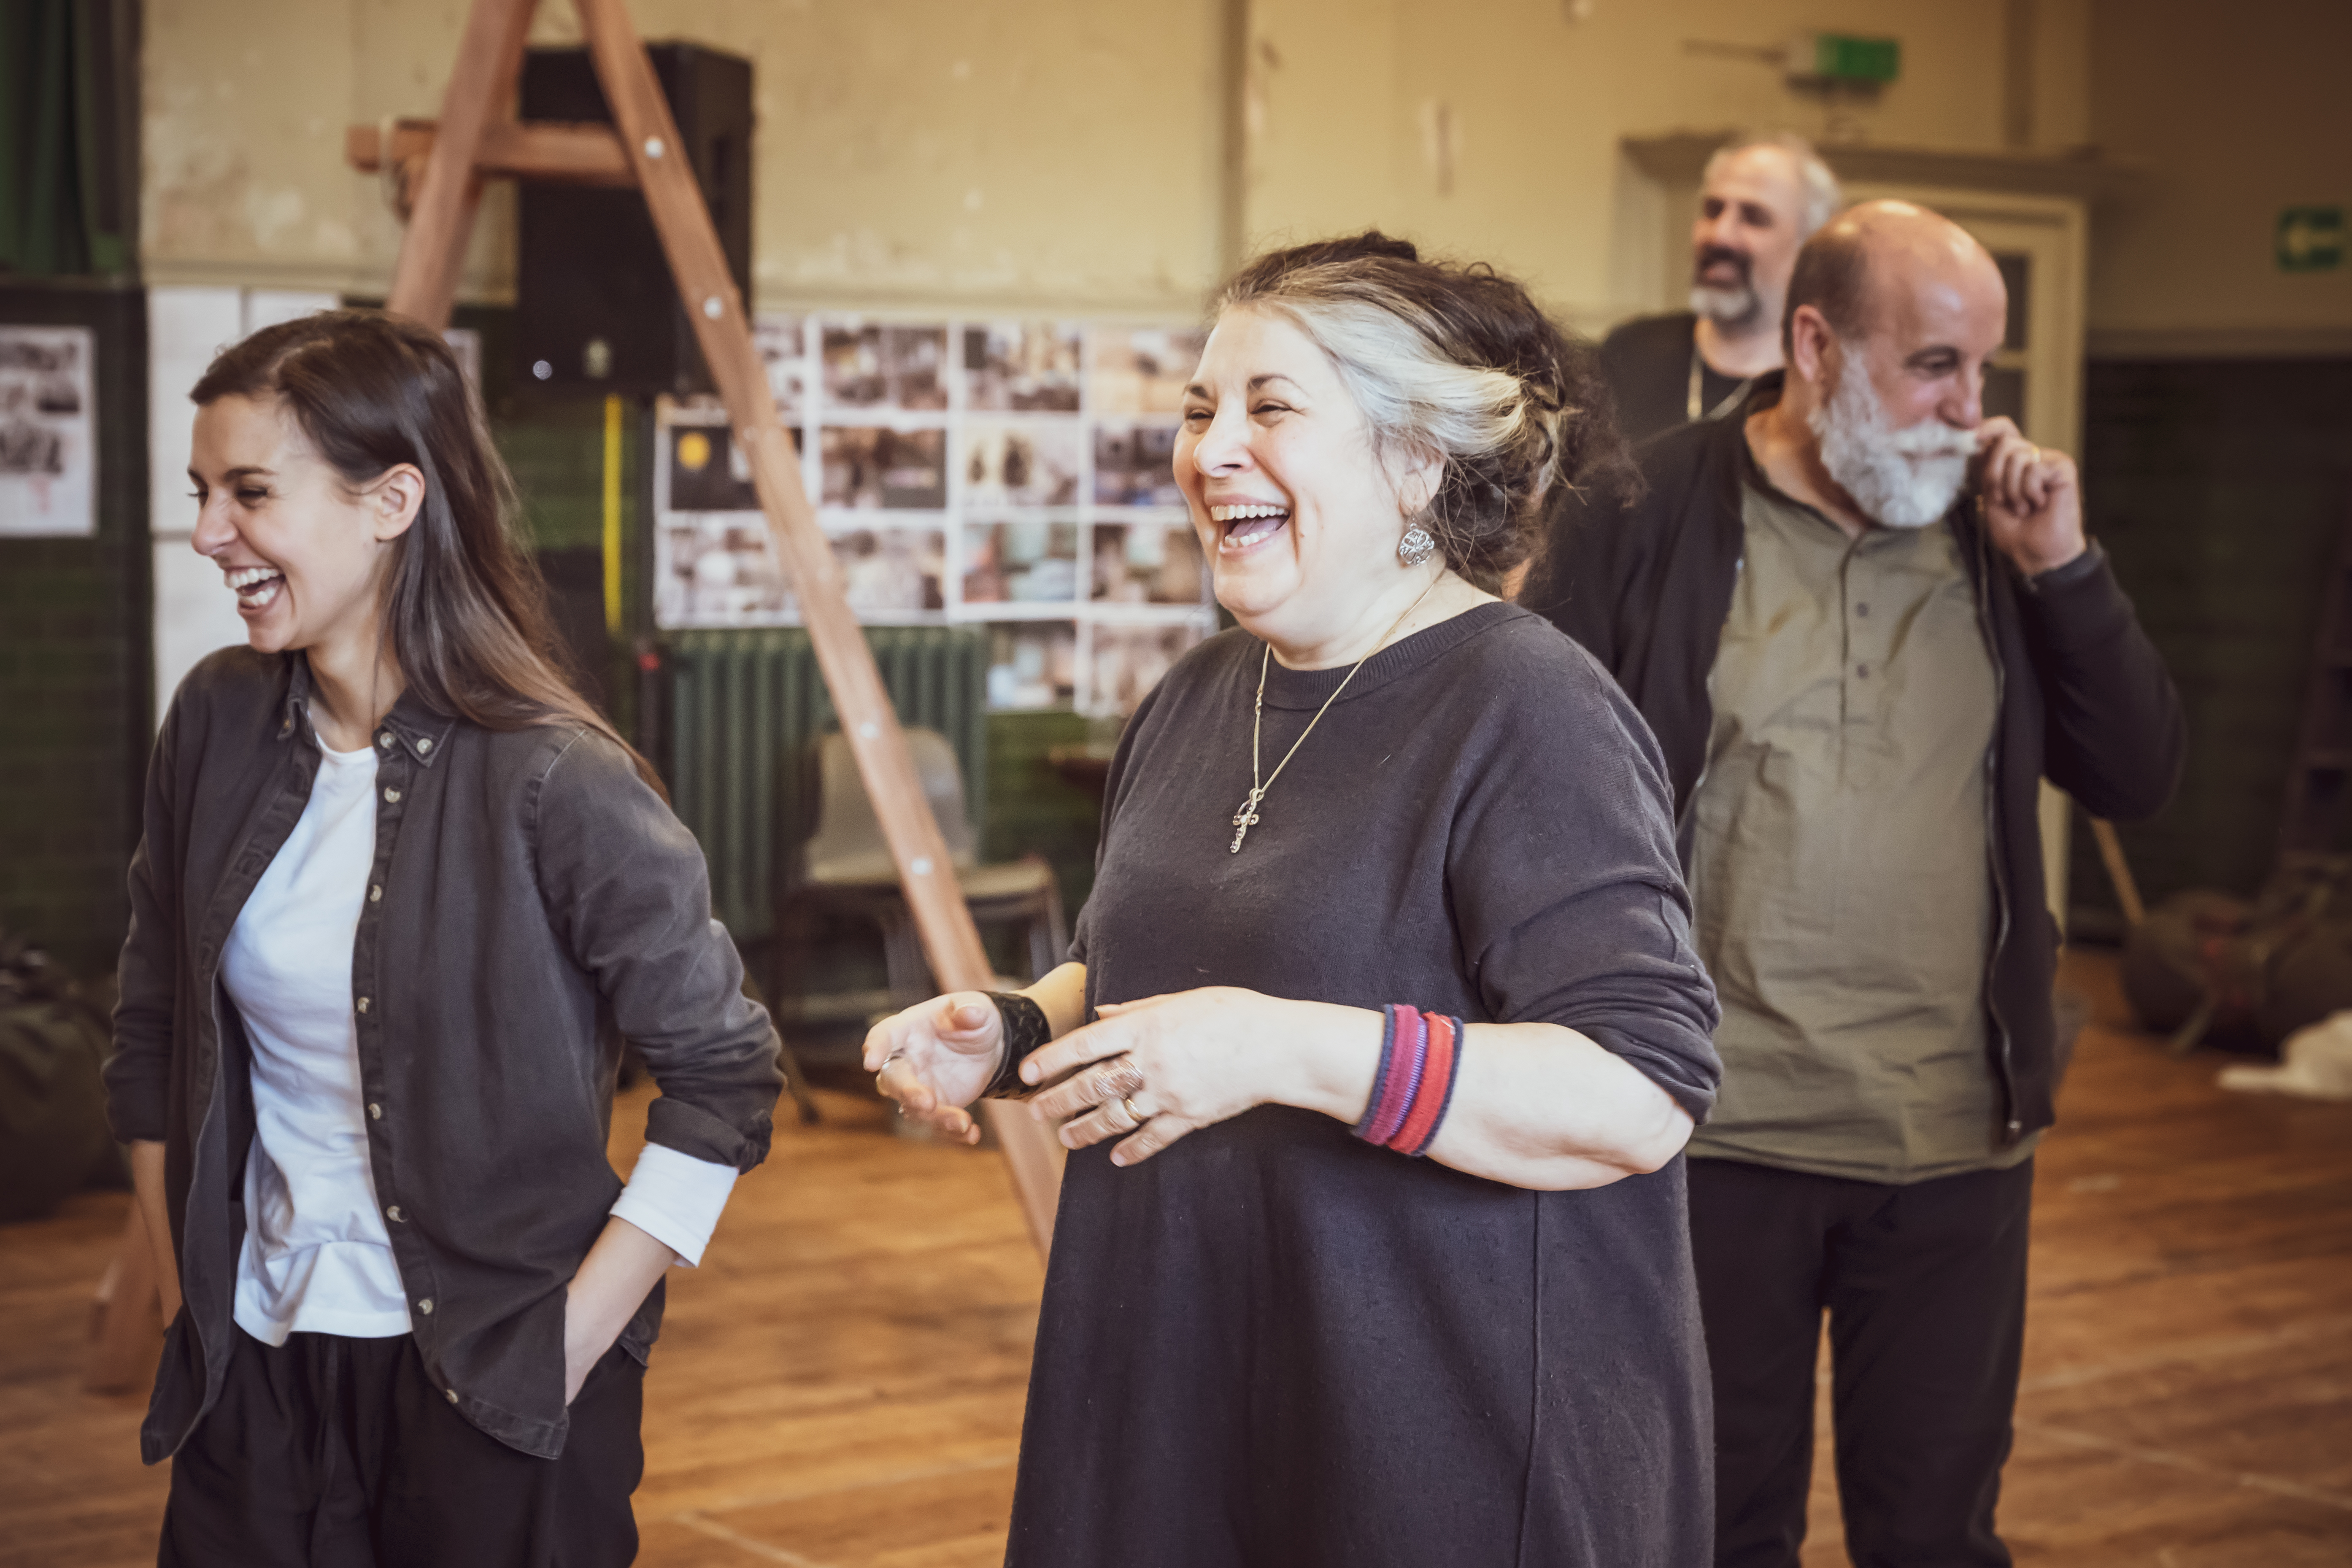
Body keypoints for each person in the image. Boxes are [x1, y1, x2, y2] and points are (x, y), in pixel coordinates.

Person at [864, 233, 1724, 1567]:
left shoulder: (1529, 708)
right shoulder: (1204, 692)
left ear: (1413, 463)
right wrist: (1017, 1030)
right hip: (1180, 1394)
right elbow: (1137, 958)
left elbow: (1636, 1090)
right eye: (1202, 410)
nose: (1209, 451)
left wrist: (1273, 1048)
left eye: (1269, 409)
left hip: (1431, 1439)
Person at [1521, 202, 2186, 1567]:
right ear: (1815, 345)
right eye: (1934, 365)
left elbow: (2136, 772)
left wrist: (2063, 568)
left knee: (1936, 1533)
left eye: (1984, 371)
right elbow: (1530, 784)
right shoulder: (1639, 512)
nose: (1970, 410)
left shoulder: (1997, 537)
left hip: (1950, 1141)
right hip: (1711, 1135)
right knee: (1709, 1524)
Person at [106, 310, 784, 1567]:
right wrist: (186, 1281)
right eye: (203, 493)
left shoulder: (556, 778)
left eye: (250, 492)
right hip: (255, 1358)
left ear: (392, 500)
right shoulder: (213, 723)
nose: (210, 533)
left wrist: (567, 1346)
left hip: (494, 1380)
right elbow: (150, 1031)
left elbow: (723, 1080)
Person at [1599, 132, 1842, 444]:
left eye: (1754, 218)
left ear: (1808, 247)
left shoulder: (1825, 383)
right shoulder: (1628, 352)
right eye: (1713, 210)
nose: (1720, 235)